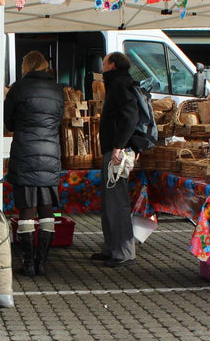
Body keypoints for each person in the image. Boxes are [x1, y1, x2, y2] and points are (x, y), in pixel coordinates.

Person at [3, 51, 64, 277]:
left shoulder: (18, 88)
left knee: (26, 208)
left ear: (26, 66)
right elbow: (59, 120)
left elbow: (9, 122)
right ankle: (42, 261)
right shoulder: (58, 90)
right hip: (50, 152)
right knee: (47, 208)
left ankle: (28, 262)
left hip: (25, 151)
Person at [95, 51, 140, 268]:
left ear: (112, 65)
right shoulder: (118, 82)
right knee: (109, 201)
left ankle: (123, 251)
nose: (101, 66)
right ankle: (112, 247)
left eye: (104, 63)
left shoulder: (119, 83)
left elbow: (130, 116)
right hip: (114, 148)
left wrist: (118, 146)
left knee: (116, 201)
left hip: (118, 151)